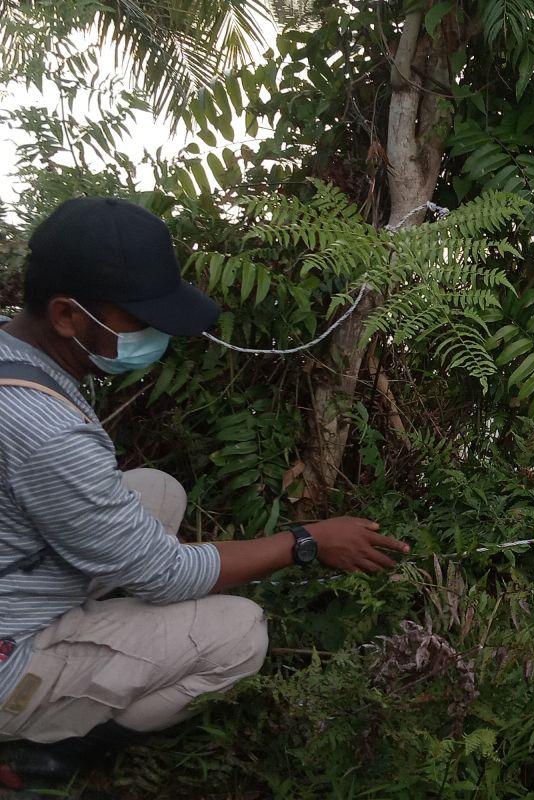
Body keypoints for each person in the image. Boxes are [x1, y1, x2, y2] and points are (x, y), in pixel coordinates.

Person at [0, 197, 409, 796]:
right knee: (239, 634)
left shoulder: (17, 357)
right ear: (67, 315)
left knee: (157, 494)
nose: (156, 333)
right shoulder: (48, 431)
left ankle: (80, 638)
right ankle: (46, 748)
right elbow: (167, 576)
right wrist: (306, 541)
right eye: (138, 319)